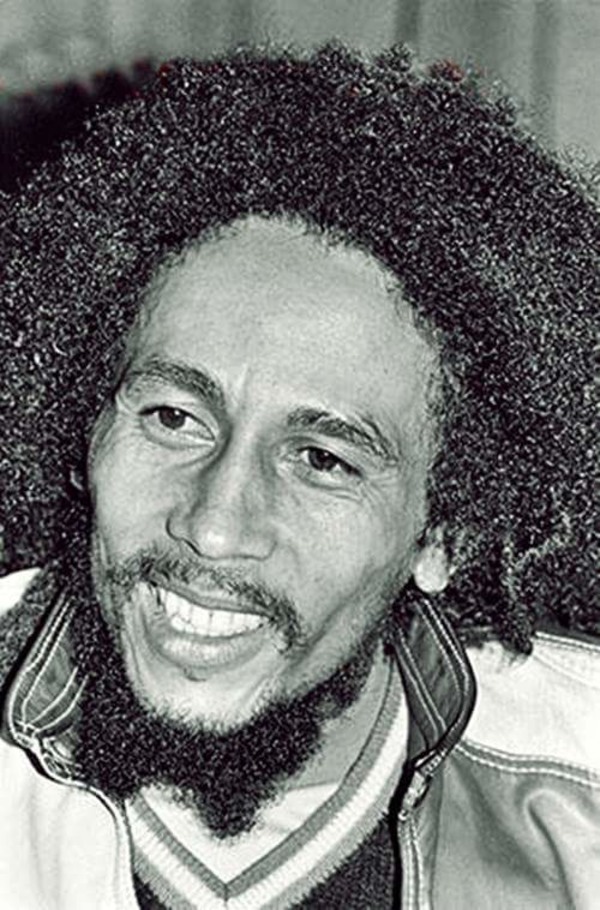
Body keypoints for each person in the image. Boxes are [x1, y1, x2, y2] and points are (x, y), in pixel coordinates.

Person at [0, 45, 598, 910]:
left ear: (445, 533)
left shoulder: (579, 811)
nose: (214, 527)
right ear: (84, 428)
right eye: (172, 418)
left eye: (322, 460)